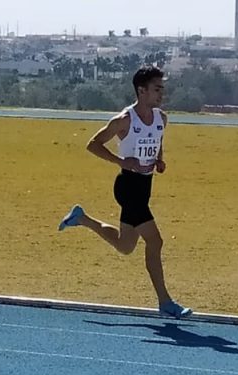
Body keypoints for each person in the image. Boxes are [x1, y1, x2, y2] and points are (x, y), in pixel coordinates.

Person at [57, 66, 191, 318]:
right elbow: (93, 145)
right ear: (141, 90)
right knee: (156, 241)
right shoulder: (124, 120)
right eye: (157, 89)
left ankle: (82, 218)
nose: (162, 93)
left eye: (162, 88)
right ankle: (165, 302)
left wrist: (159, 160)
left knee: (125, 246)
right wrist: (121, 161)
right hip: (128, 187)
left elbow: (157, 142)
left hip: (145, 187)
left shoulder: (162, 118)